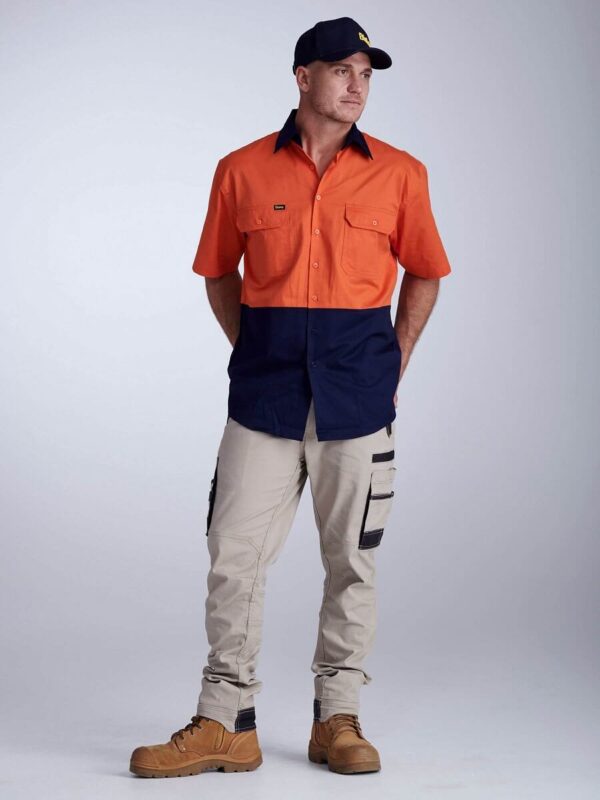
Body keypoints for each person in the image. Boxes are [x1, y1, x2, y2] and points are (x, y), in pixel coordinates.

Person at [129, 15, 451, 778]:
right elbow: (218, 272)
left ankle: (337, 718)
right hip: (264, 400)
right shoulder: (240, 170)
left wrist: (393, 363)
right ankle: (226, 722)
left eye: (366, 74)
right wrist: (255, 349)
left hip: (358, 401)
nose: (357, 86)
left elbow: (426, 271)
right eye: (342, 71)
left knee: (352, 563)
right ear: (303, 77)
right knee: (233, 557)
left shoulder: (401, 174)